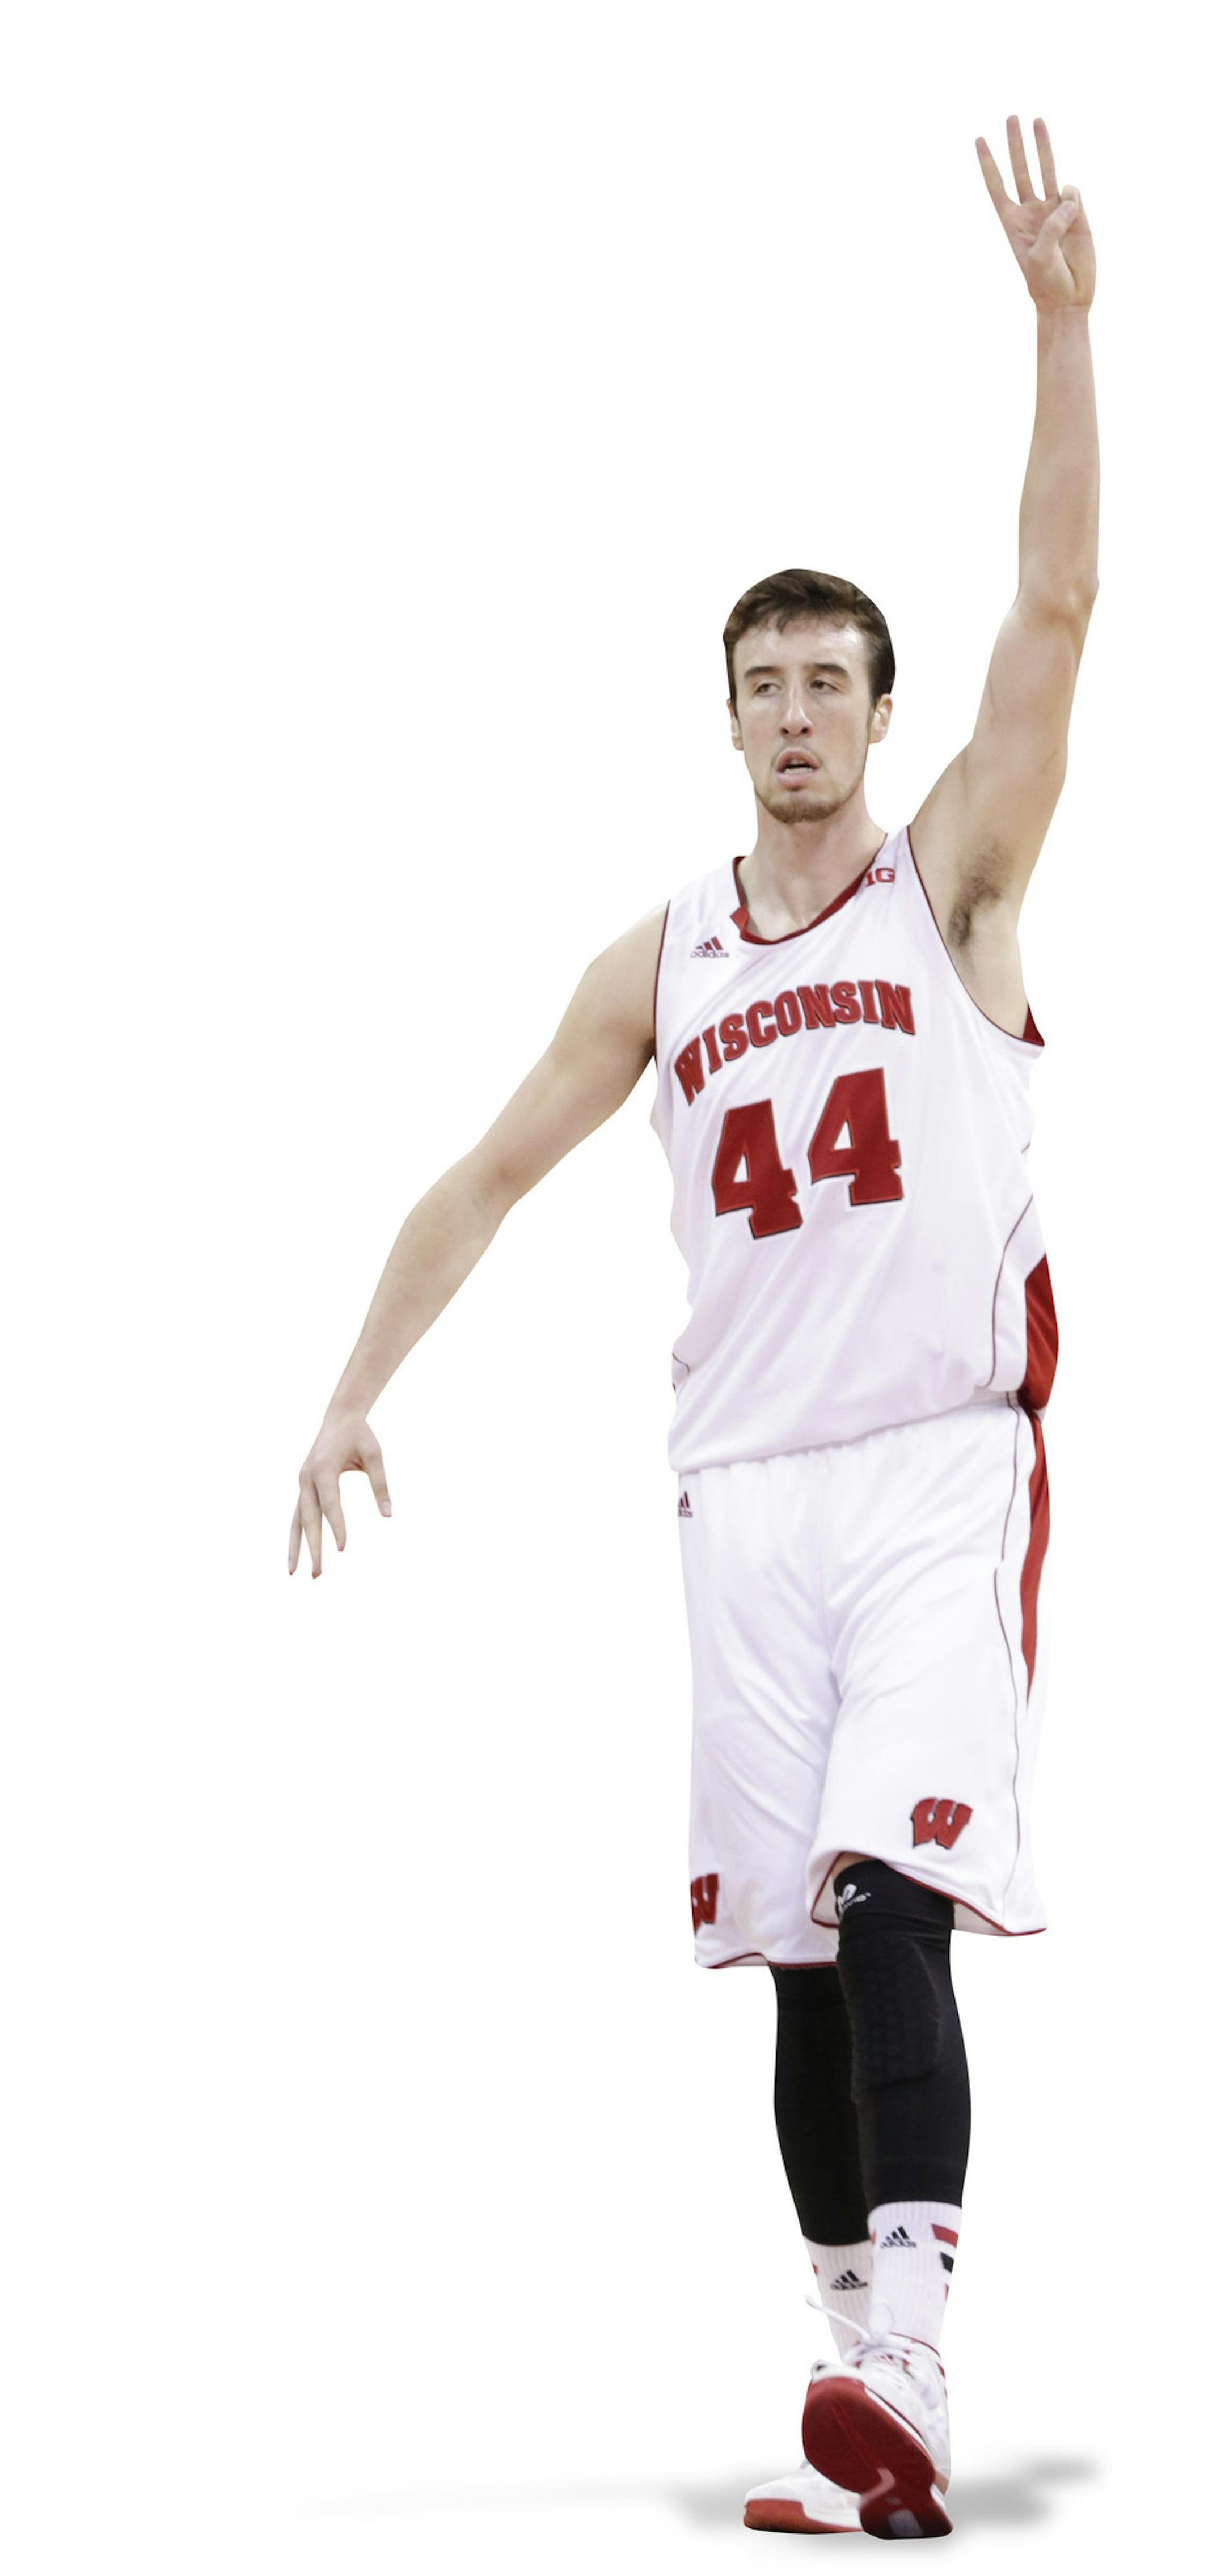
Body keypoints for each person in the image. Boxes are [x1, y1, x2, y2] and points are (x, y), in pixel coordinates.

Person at [289, 115, 1097, 2541]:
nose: (798, 716)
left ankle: (927, 2369)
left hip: (935, 1456)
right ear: (726, 716)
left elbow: (1053, 624)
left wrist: (1067, 334)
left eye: (831, 681)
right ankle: (856, 2381)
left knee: (892, 1896)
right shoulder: (667, 953)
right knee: (794, 1969)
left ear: (873, 711)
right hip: (735, 1495)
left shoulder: (952, 872)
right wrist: (353, 1380)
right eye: (763, 686)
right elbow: (492, 1168)